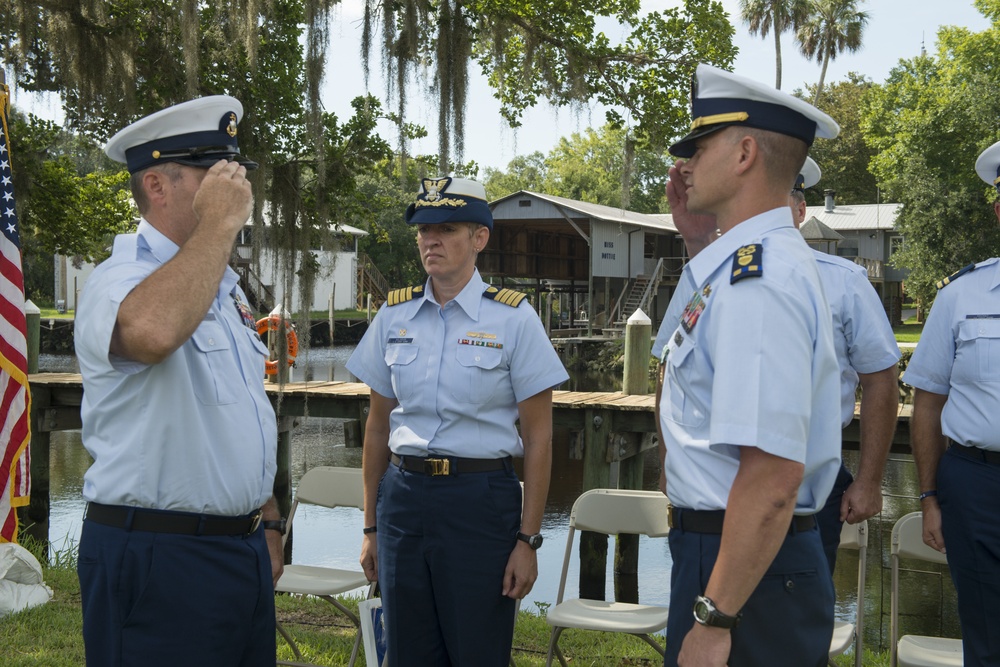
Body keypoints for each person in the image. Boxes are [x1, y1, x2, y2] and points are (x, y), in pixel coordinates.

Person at [74, 96, 284, 667]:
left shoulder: (223, 285)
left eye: (234, 168)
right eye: (212, 171)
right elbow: (152, 332)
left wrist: (266, 517)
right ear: (158, 186)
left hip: (238, 551)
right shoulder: (117, 278)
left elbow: (236, 410)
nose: (234, 182)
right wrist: (218, 225)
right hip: (159, 555)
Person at [654, 63, 842, 666]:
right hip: (733, 558)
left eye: (699, 146)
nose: (684, 165)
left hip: (745, 574)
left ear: (743, 153)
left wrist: (715, 617)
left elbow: (770, 478)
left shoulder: (757, 279)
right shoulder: (738, 264)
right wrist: (694, 237)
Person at [346, 177, 568, 666]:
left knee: (477, 652)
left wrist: (528, 540)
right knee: (407, 652)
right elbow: (378, 428)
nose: (431, 240)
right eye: (424, 230)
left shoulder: (513, 320)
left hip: (479, 503)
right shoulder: (393, 314)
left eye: (446, 228)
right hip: (403, 502)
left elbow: (538, 439)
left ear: (479, 238)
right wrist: (370, 527)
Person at [901, 139, 1000, 667]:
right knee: (985, 635)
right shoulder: (961, 295)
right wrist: (930, 497)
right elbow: (927, 403)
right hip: (976, 487)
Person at [790, 158, 900, 573]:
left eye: (775, 200)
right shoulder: (709, 275)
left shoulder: (844, 282)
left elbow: (880, 379)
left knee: (799, 622)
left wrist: (870, 480)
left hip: (810, 481)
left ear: (801, 211)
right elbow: (672, 376)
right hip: (720, 481)